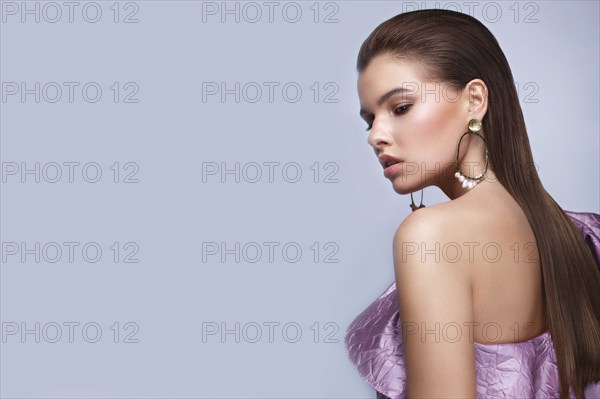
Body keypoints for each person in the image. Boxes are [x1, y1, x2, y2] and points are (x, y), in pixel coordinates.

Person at [344, 9, 600, 399]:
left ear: (474, 99)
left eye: (400, 107)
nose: (376, 135)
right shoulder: (571, 232)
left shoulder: (431, 235)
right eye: (369, 119)